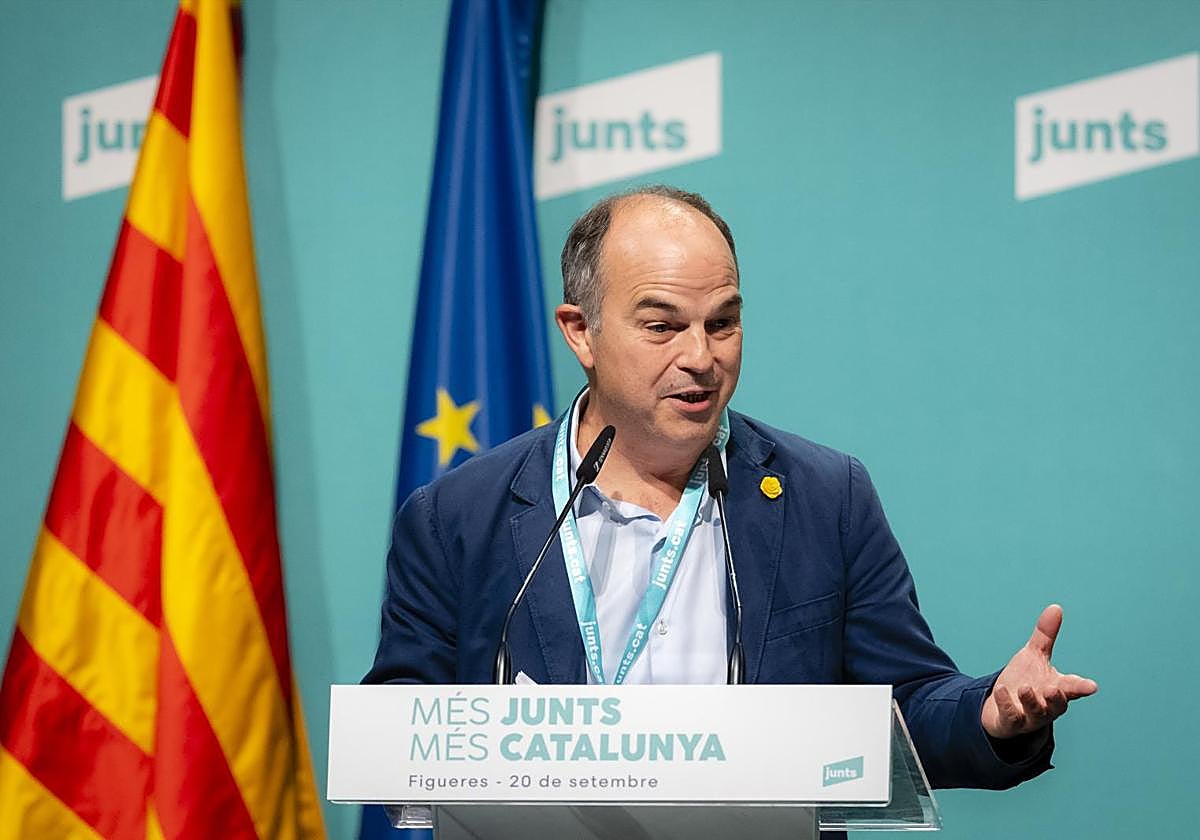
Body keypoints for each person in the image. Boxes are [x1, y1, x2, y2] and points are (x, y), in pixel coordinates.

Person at [365, 185, 1097, 791]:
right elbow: (403, 734)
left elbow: (906, 705)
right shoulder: (459, 517)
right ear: (579, 331)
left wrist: (992, 714)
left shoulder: (824, 497)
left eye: (723, 323)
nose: (700, 358)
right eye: (662, 326)